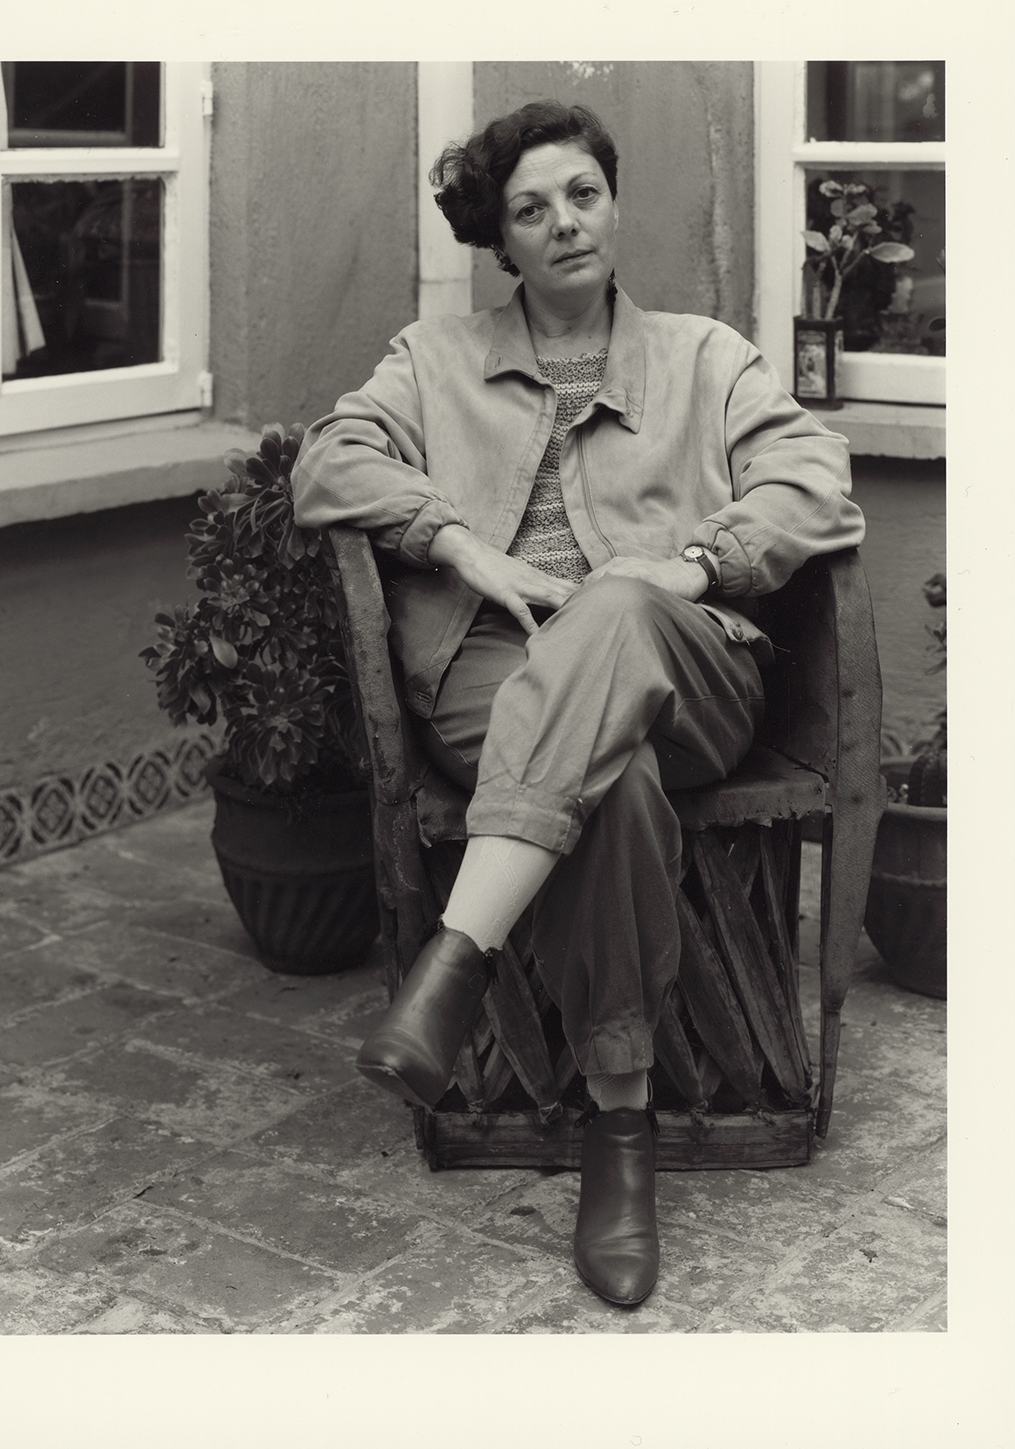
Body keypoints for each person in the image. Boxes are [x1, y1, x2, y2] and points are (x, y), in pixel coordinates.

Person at [292, 101, 864, 1308]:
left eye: (581, 195)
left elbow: (812, 477)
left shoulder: (706, 357)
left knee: (614, 607)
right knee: (618, 782)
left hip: (687, 665)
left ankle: (457, 954)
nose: (562, 223)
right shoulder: (431, 359)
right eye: (529, 209)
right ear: (500, 240)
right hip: (495, 675)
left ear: (612, 203)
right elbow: (328, 461)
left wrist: (691, 568)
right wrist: (455, 541)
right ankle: (621, 1137)